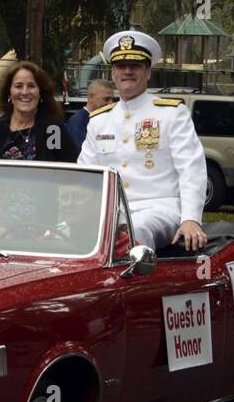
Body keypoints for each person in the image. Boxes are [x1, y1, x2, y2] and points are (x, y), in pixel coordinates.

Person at [77, 29, 207, 251]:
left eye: (135, 66)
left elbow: (191, 169)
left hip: (160, 209)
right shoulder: (100, 120)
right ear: (113, 74)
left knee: (135, 230)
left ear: (147, 73)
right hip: (110, 212)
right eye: (121, 66)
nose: (127, 71)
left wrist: (191, 218)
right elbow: (85, 175)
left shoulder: (171, 113)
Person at [66, 79, 116, 147]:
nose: (111, 103)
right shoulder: (77, 121)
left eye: (112, 100)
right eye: (106, 99)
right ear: (91, 97)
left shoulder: (107, 120)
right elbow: (80, 153)